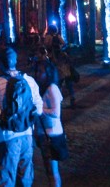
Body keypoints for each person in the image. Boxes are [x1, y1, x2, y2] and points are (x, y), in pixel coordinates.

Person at [0, 46, 43, 187]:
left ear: (1, 63)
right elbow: (39, 109)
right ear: (16, 61)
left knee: (6, 177)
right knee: (25, 177)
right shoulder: (29, 81)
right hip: (27, 136)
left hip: (6, 137)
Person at [34, 59, 65, 187]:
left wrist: (39, 110)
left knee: (52, 170)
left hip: (51, 134)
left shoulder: (52, 88)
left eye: (40, 71)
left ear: (48, 73)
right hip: (45, 132)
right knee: (49, 169)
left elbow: (56, 113)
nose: (37, 74)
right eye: (37, 71)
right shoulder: (43, 87)